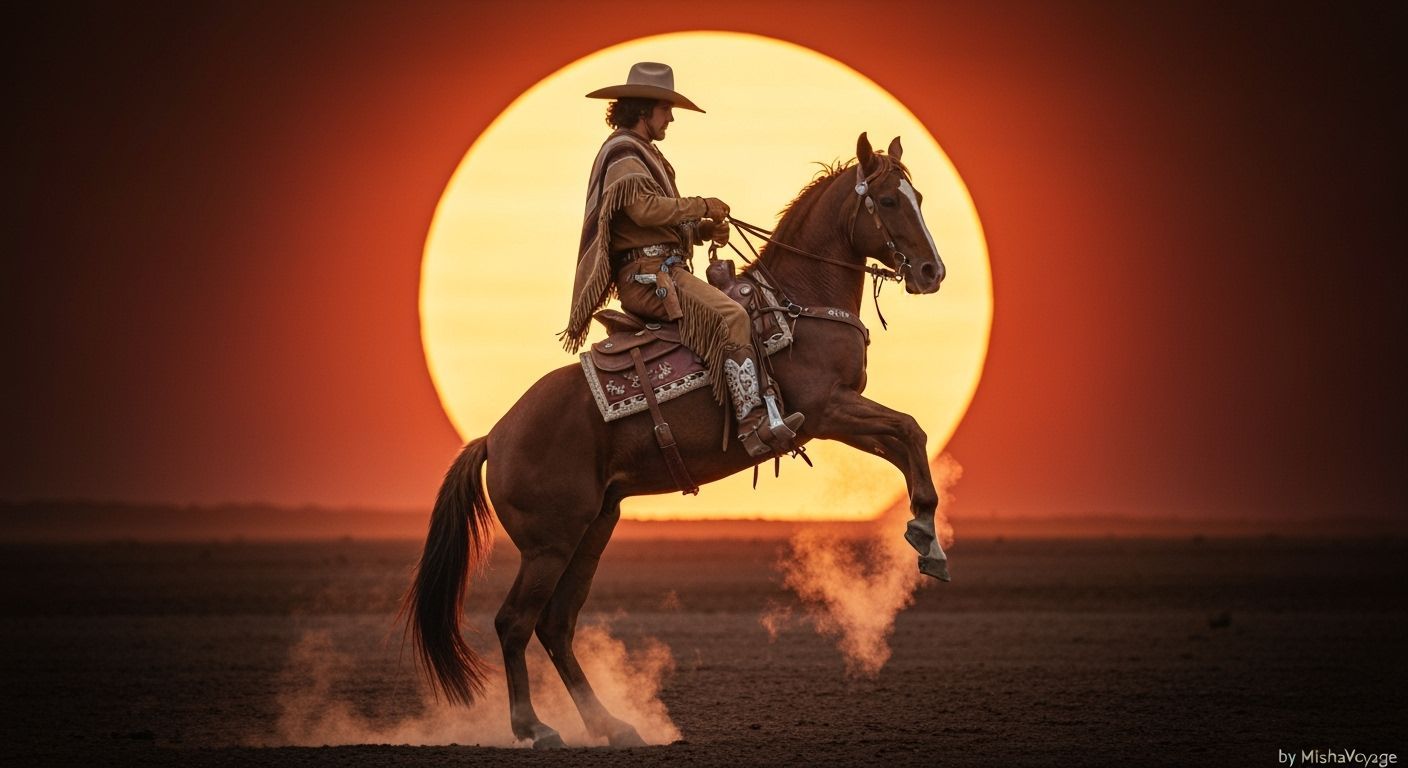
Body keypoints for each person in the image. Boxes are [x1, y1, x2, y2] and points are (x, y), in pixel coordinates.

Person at [561, 61, 804, 457]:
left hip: (667, 268)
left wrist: (705, 230)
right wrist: (702, 205)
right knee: (732, 316)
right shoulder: (622, 150)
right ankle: (752, 423)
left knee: (743, 306)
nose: (670, 118)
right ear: (644, 109)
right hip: (649, 278)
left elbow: (658, 226)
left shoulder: (647, 154)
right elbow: (643, 210)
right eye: (666, 109)